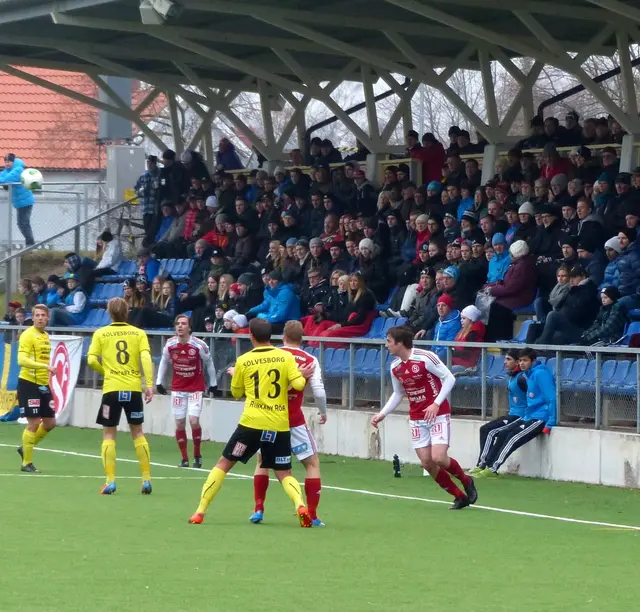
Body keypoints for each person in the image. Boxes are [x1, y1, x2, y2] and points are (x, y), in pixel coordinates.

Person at [188, 318, 315, 527]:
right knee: (284, 473)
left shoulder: (244, 360)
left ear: (251, 336)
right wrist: (300, 375)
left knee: (223, 464)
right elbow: (299, 385)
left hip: (251, 423)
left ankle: (200, 511)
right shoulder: (285, 358)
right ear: (271, 337)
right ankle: (300, 506)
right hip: (278, 424)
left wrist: (235, 375)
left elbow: (237, 393)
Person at [370, 326, 478, 510]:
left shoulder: (425, 358)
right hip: (417, 418)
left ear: (400, 343)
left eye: (389, 341)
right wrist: (382, 413)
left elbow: (449, 378)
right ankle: (459, 496)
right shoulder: (395, 367)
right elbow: (398, 393)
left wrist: (436, 403)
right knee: (427, 463)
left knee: (439, 458)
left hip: (438, 414)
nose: (386, 345)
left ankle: (466, 480)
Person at [250, 321, 328, 527]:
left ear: (283, 336)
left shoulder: (271, 355)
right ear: (302, 338)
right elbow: (319, 392)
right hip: (294, 421)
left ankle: (258, 509)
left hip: (269, 419)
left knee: (261, 463)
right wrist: (323, 411)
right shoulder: (310, 360)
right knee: (311, 465)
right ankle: (312, 514)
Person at [86, 298, 154, 495]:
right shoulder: (138, 333)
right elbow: (145, 358)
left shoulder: (101, 333)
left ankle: (110, 481)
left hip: (112, 389)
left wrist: (105, 371)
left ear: (109, 313)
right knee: (138, 432)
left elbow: (91, 360)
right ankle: (146, 478)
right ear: (127, 312)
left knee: (109, 434)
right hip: (132, 388)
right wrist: (148, 384)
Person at [474, 348, 555, 477]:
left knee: (511, 437)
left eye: (525, 360)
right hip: (530, 415)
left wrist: (550, 422)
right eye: (520, 360)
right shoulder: (528, 374)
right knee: (502, 433)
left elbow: (551, 397)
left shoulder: (537, 375)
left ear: (533, 361)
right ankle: (486, 465)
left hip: (540, 417)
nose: (522, 363)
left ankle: (492, 468)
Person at [156, 315, 218, 468]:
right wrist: (159, 382)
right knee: (179, 424)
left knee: (193, 421)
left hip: (195, 388)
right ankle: (184, 458)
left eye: (183, 324)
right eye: (177, 324)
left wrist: (213, 382)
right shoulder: (170, 344)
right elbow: (164, 361)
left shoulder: (198, 345)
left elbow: (209, 362)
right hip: (178, 388)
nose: (180, 326)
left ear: (189, 328)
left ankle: (197, 454)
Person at [468, 350, 526, 475]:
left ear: (517, 362)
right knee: (485, 429)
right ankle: (483, 465)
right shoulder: (512, 376)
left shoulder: (521, 378)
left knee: (492, 431)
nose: (505, 362)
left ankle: (484, 465)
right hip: (513, 413)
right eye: (505, 359)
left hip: (520, 415)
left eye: (508, 359)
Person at [16, 305, 57, 473]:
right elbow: (21, 360)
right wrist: (45, 366)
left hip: (42, 384)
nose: (40, 318)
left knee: (50, 423)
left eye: (43, 315)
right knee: (33, 422)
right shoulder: (27, 335)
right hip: (28, 383)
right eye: (37, 315)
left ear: (48, 318)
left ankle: (25, 447)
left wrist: (46, 374)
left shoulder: (46, 336)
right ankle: (27, 463)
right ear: (32, 318)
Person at [0, 153, 36, 245]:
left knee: (23, 223)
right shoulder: (8, 170)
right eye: (5, 162)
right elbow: (2, 176)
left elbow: (5, 179)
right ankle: (30, 243)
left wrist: (4, 182)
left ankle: (30, 244)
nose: (7, 164)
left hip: (25, 201)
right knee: (21, 223)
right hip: (19, 202)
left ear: (13, 161)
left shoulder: (18, 170)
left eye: (9, 161)